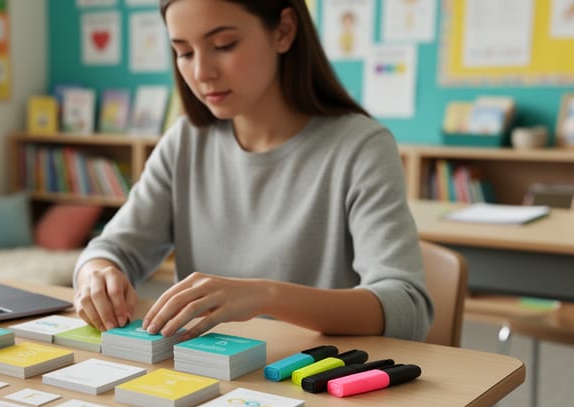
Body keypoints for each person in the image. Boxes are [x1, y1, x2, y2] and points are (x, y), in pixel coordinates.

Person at [73, 0, 433, 343]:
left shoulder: (361, 147)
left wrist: (265, 295)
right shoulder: (185, 140)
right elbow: (114, 248)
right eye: (183, 52)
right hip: (202, 377)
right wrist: (96, 272)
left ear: (284, 31)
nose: (201, 73)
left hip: (315, 382)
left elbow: (406, 307)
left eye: (223, 44)